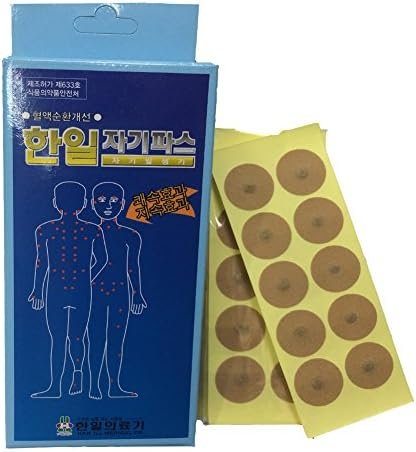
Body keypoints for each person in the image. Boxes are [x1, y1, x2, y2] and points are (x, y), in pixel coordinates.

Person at [28, 181, 108, 398]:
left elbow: (41, 263)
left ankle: (62, 383)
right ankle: (67, 380)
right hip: (78, 288)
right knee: (74, 337)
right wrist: (87, 275)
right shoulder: (92, 229)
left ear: (55, 202)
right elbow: (101, 260)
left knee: (63, 338)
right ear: (84, 203)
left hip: (58, 288)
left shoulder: (45, 230)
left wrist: (38, 290)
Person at [88, 181, 147, 399]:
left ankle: (113, 386)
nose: (108, 205)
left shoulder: (130, 235)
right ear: (93, 203)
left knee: (116, 340)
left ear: (122, 204)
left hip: (121, 293)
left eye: (113, 201)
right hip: (93, 293)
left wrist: (137, 293)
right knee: (95, 339)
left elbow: (133, 267)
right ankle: (93, 386)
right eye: (102, 200)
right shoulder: (89, 232)